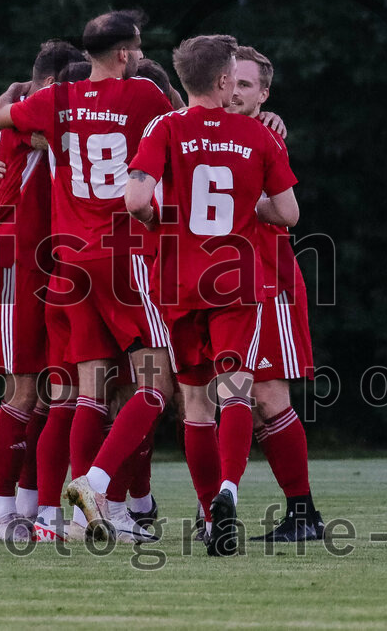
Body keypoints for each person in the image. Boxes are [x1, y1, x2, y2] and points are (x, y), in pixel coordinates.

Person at [0, 10, 175, 543]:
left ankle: (75, 518)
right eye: (136, 48)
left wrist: (16, 95)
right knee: (155, 384)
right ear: (123, 53)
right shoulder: (142, 95)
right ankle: (92, 485)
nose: (139, 56)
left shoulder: (56, 102)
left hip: (68, 261)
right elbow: (182, 125)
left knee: (85, 395)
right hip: (122, 252)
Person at [125, 34, 300, 556]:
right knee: (237, 389)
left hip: (179, 279)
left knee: (196, 403)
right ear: (225, 81)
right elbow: (289, 214)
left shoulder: (166, 126)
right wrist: (246, 212)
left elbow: (135, 200)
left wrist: (166, 219)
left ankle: (207, 516)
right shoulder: (257, 136)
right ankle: (229, 489)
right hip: (237, 281)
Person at [0, 39, 84, 542]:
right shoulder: (32, 119)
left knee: (49, 392)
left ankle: (30, 512)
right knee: (21, 389)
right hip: (13, 266)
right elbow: (3, 118)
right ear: (48, 88)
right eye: (72, 89)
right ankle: (1, 515)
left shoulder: (36, 116)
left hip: (51, 266)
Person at [226, 45, 324, 542]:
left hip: (270, 279)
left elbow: (285, 210)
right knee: (236, 395)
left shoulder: (265, 136)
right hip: (226, 285)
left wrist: (240, 207)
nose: (235, 90)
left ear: (264, 94)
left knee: (264, 393)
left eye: (247, 84)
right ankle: (284, 511)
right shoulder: (207, 131)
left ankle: (301, 512)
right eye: (230, 81)